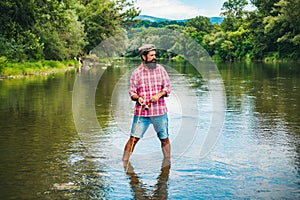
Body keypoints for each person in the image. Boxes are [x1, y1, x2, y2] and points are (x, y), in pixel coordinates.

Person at [122, 44, 171, 162]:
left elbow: (167, 88)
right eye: (152, 55)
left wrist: (158, 95)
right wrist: (138, 98)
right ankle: (124, 163)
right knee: (133, 139)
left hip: (159, 112)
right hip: (142, 113)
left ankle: (167, 163)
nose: (155, 57)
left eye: (155, 55)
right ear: (144, 57)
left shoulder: (161, 70)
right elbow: (132, 93)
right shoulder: (136, 73)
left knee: (164, 139)